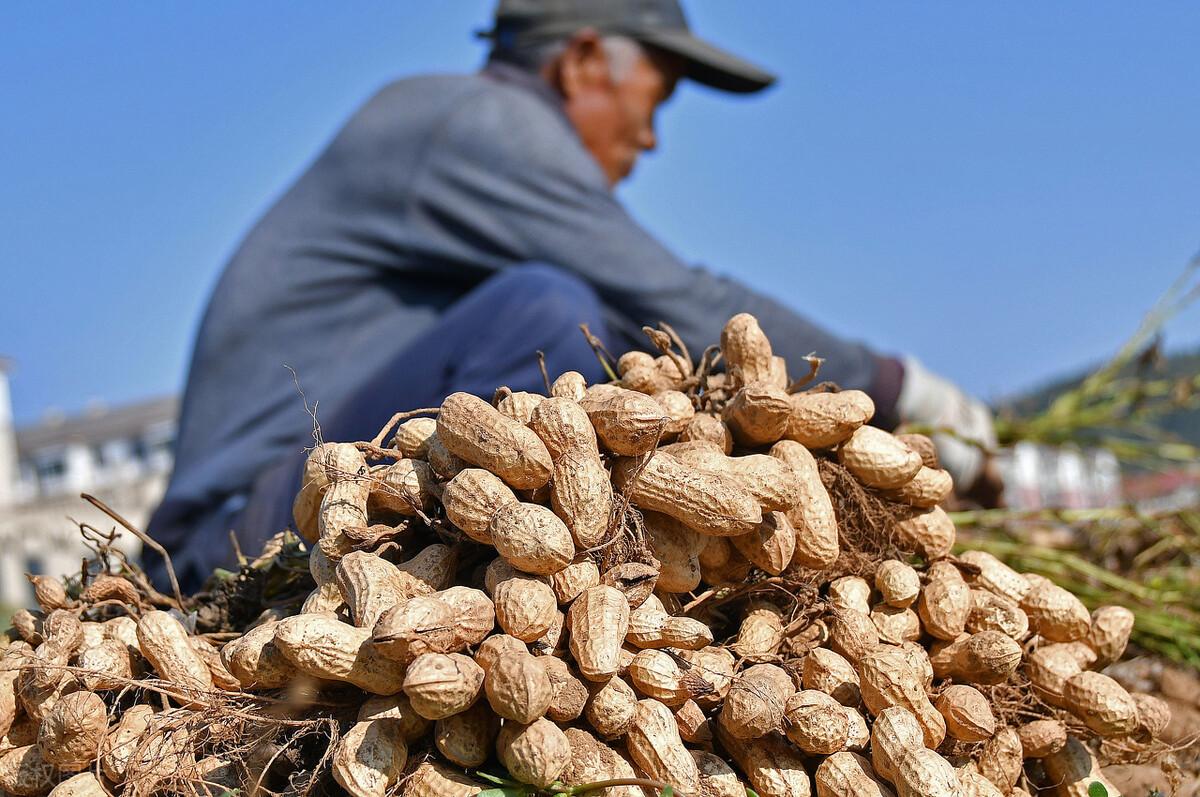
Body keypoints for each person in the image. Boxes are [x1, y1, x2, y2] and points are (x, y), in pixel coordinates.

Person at [147, 0, 998, 590]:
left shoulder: (458, 127)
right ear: (585, 59)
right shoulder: (477, 125)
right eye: (656, 99)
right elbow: (673, 296)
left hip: (275, 497)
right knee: (549, 312)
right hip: (232, 532)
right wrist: (896, 390)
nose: (655, 138)